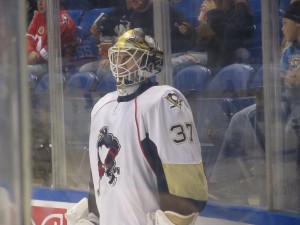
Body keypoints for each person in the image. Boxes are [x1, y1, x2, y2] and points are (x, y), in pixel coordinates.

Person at [67, 28, 208, 225]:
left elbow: (185, 176)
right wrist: (94, 215)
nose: (119, 63)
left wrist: (177, 218)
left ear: (148, 62)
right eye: (117, 57)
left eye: (128, 57)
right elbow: (98, 171)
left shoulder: (163, 100)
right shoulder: (101, 106)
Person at [210, 1, 300, 207]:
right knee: (241, 117)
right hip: (288, 100)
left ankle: (285, 187)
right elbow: (280, 79)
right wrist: (286, 79)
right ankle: (225, 183)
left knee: (284, 132)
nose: (281, 28)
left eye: (285, 23)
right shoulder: (289, 51)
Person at [173, 0, 254, 76]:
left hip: (215, 55)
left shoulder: (239, 7)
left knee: (171, 64)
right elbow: (200, 42)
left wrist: (214, 14)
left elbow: (228, 42)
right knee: (163, 61)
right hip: (201, 52)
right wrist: (189, 32)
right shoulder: (215, 9)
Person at [78, 0, 133, 80]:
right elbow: (106, 38)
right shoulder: (116, 13)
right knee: (83, 69)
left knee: (103, 70)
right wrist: (107, 57)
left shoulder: (140, 14)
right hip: (113, 57)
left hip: (129, 58)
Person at [26, 0, 77, 78]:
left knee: (22, 71)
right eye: (38, 0)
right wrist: (30, 51)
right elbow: (29, 36)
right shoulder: (38, 16)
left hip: (57, 67)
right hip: (38, 62)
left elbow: (51, 50)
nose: (39, 3)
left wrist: (36, 58)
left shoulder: (63, 20)